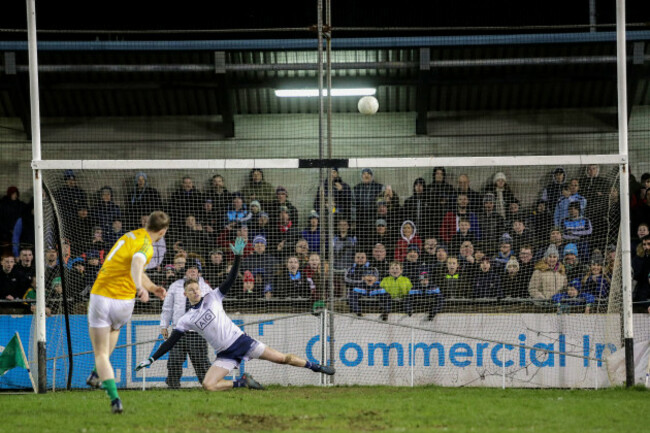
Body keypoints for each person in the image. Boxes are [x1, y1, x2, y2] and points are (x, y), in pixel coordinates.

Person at [136, 237, 334, 392]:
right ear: (185, 293)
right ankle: (242, 383)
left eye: (197, 289)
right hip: (225, 354)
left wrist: (238, 256)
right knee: (208, 385)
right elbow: (171, 341)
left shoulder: (212, 297)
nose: (196, 292)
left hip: (242, 342)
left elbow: (230, 280)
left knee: (283, 358)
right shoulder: (185, 319)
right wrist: (152, 359)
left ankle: (316, 367)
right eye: (191, 290)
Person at [85, 211, 170, 414]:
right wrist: (141, 287)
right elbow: (137, 265)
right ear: (163, 231)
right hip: (124, 303)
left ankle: (114, 398)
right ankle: (97, 374)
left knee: (100, 353)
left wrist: (148, 287)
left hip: (102, 296)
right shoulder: (147, 245)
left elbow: (136, 266)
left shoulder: (129, 236)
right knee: (113, 333)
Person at [160, 261, 212, 389]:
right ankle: (172, 385)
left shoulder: (205, 288)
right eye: (190, 268)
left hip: (197, 332)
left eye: (195, 269)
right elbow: (167, 307)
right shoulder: (175, 286)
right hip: (179, 331)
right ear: (185, 271)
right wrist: (164, 325)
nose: (192, 271)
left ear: (199, 272)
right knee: (174, 361)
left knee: (202, 362)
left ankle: (209, 384)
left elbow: (213, 308)